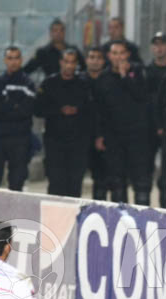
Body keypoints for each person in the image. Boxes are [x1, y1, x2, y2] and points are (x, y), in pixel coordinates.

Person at [93, 40, 150, 204]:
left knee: (141, 182)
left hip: (137, 136)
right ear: (109, 56)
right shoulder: (103, 78)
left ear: (127, 55)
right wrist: (99, 135)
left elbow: (142, 96)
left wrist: (125, 76)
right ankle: (121, 218)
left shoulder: (138, 72)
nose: (118, 57)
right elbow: (99, 109)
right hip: (114, 137)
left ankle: (142, 219)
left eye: (121, 53)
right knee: (117, 181)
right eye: (114, 53)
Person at [35, 49, 94, 198]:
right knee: (56, 183)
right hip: (55, 142)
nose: (69, 65)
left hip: (78, 142)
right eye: (66, 61)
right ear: (61, 62)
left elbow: (92, 110)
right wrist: (59, 111)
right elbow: (38, 109)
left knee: (75, 184)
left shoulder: (84, 84)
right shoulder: (49, 83)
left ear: (76, 64)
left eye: (72, 62)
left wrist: (78, 111)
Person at [0, 47, 36, 191]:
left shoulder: (28, 84)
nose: (13, 62)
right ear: (5, 60)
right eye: (10, 58)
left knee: (17, 182)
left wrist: (1, 107)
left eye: (16, 58)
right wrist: (13, 106)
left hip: (19, 139)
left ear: (21, 60)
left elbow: (27, 109)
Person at [146, 32, 166, 202]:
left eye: (162, 44)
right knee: (146, 171)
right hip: (149, 127)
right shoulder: (146, 71)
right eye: (156, 44)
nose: (159, 48)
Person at [84, 46, 107, 200]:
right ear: (86, 60)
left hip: (105, 137)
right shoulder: (79, 81)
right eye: (91, 57)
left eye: (98, 57)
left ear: (103, 61)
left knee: (102, 179)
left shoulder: (109, 81)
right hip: (81, 136)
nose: (95, 61)